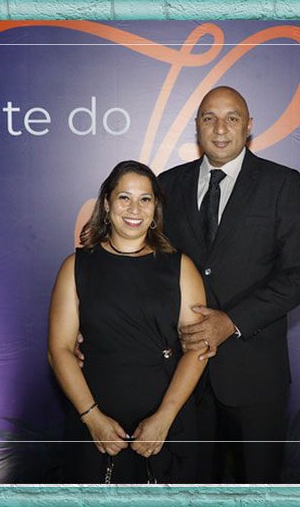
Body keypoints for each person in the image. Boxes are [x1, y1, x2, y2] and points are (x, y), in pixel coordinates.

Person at [157, 86, 300, 483]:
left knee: (259, 489)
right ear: (197, 126)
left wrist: (231, 321)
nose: (220, 128)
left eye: (232, 118)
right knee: (190, 490)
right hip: (184, 377)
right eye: (209, 118)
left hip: (255, 376)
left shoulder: (281, 183)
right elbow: (150, 273)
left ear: (249, 126)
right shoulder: (167, 185)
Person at [48, 160, 207, 483]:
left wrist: (165, 417)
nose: (135, 208)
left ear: (155, 208)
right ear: (107, 203)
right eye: (124, 197)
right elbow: (59, 350)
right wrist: (92, 418)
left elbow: (197, 349)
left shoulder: (181, 267)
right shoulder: (75, 267)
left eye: (145, 199)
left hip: (166, 423)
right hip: (95, 421)